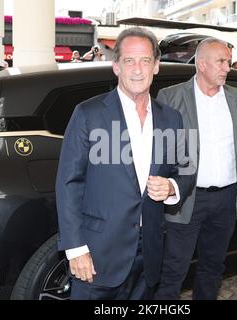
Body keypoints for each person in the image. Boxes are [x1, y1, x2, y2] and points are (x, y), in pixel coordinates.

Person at [56, 27, 194, 300]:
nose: (137, 69)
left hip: (150, 252)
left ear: (156, 66)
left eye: (145, 61)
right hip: (97, 252)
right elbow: (69, 183)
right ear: (116, 66)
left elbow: (185, 170)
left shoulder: (172, 118)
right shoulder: (88, 113)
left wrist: (171, 187)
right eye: (129, 61)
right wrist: (75, 248)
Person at [154, 38, 237, 300]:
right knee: (173, 270)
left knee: (213, 268)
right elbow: (158, 153)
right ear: (202, 64)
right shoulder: (171, 97)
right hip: (185, 199)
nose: (227, 67)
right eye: (221, 61)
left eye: (228, 61)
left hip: (226, 200)